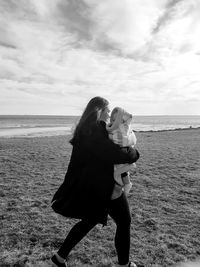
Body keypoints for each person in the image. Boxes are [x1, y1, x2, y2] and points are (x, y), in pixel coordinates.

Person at [51, 96, 141, 267]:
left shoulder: (88, 130)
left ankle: (60, 257)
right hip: (103, 187)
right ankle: (125, 265)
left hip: (94, 186)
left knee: (89, 220)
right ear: (98, 110)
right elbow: (115, 154)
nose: (109, 114)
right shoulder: (93, 132)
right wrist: (135, 152)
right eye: (107, 110)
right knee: (124, 220)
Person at [106, 107, 137, 199]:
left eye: (118, 119)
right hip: (118, 152)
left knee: (122, 170)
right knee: (120, 171)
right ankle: (124, 185)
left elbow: (129, 117)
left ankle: (127, 184)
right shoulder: (111, 126)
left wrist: (120, 111)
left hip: (123, 151)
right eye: (114, 119)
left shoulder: (125, 126)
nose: (115, 121)